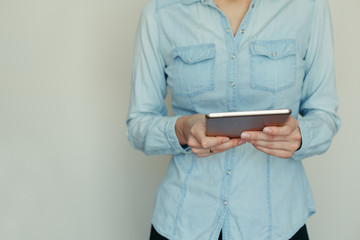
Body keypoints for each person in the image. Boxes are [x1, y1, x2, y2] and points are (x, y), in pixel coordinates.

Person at [126, 0, 341, 239]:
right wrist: (181, 129)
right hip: (186, 221)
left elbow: (325, 115)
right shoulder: (160, 13)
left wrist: (300, 136)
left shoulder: (308, 7)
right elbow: (138, 125)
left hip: (278, 223)